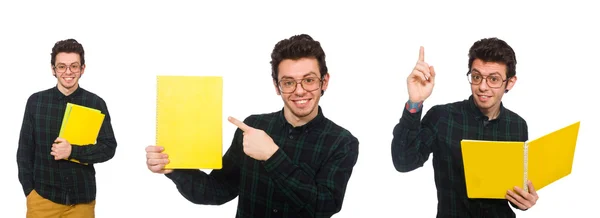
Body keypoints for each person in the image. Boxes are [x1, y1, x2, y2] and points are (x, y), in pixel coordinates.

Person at [146, 34, 359, 218]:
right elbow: (217, 190)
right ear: (277, 86)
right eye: (288, 82)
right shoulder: (253, 127)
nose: (300, 90)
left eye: (309, 80)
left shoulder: (342, 142)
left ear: (324, 82)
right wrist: (174, 168)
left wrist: (272, 156)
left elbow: (324, 206)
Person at [391, 38, 539, 217]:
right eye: (476, 77)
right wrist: (415, 102)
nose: (483, 87)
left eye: (493, 79)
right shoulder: (442, 117)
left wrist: (524, 201)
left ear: (510, 83)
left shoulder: (517, 125)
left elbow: (513, 190)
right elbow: (403, 161)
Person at [17, 39, 118, 218]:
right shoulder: (36, 102)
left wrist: (72, 151)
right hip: (42, 199)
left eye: (74, 66)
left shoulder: (95, 103)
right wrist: (29, 192)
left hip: (82, 201)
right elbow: (24, 152)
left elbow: (108, 148)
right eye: (62, 66)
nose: (68, 72)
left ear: (83, 69)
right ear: (53, 69)